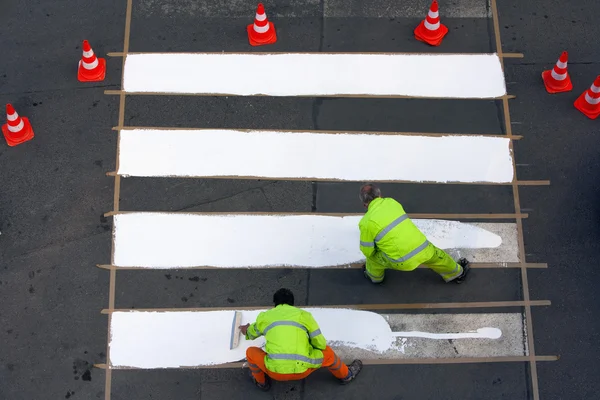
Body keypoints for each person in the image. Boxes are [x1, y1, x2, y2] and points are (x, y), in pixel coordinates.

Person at [240, 288, 363, 391]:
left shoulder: (265, 316)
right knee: (329, 354)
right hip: (303, 370)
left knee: (250, 353)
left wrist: (246, 329)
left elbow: (251, 333)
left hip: (274, 371)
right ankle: (346, 375)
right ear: (292, 303)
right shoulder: (304, 315)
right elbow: (320, 343)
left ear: (275, 303)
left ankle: (261, 383)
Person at [358, 183, 470, 284]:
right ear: (380, 195)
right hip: (422, 247)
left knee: (373, 259)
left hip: (403, 261)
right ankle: (457, 273)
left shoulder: (366, 222)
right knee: (438, 257)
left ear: (365, 205)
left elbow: (367, 251)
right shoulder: (392, 202)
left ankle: (375, 278)